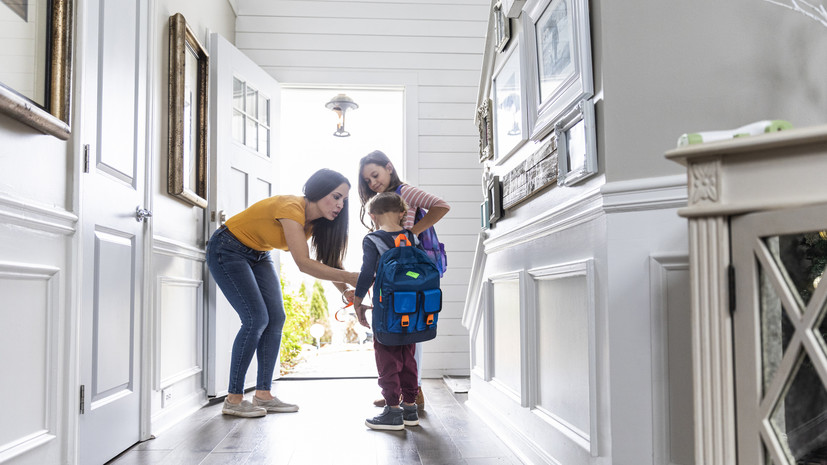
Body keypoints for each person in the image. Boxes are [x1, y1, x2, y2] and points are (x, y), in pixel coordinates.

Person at [206, 168, 360, 418]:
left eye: (344, 199)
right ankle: (233, 399)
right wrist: (351, 277)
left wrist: (348, 291)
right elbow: (303, 263)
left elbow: (328, 261)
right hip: (228, 247)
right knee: (255, 319)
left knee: (275, 318)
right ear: (319, 191)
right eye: (336, 196)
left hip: (258, 253)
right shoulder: (292, 208)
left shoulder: (316, 223)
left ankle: (263, 395)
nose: (340, 204)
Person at [357, 150, 450, 409]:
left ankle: (413, 391)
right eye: (367, 181)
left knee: (409, 329)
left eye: (375, 175)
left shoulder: (405, 192)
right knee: (400, 328)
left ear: (389, 167)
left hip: (410, 269)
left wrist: (411, 235)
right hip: (395, 273)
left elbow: (441, 205)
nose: (372, 183)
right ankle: (400, 392)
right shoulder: (384, 202)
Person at [353, 192, 421, 430]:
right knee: (407, 356)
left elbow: (367, 273)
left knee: (386, 358)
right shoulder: (412, 237)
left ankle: (393, 410)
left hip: (386, 310)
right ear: (403, 212)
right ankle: (410, 409)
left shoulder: (373, 239)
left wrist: (358, 301)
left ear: (372, 216)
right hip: (414, 310)